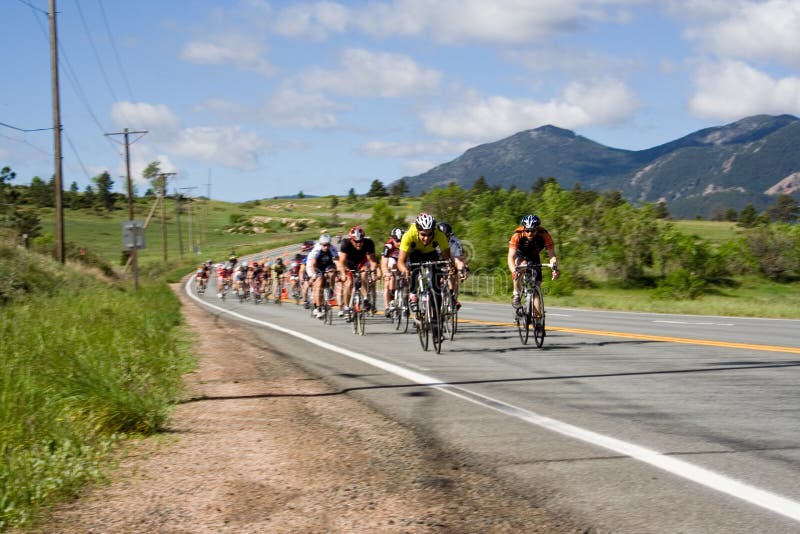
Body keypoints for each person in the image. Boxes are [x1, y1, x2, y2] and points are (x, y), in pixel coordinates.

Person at [397, 212, 451, 312]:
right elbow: (400, 261)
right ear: (417, 231)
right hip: (415, 253)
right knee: (414, 270)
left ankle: (436, 318)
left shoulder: (439, 234)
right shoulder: (409, 235)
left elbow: (447, 258)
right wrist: (405, 271)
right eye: (423, 234)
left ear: (433, 231)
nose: (426, 238)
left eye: (430, 234)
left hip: (431, 253)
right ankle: (413, 294)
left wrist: (449, 267)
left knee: (436, 285)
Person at [507, 214, 559, 312]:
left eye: (533, 230)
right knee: (520, 268)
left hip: (534, 257)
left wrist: (554, 268)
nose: (530, 233)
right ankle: (516, 295)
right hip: (520, 255)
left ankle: (538, 320)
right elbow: (510, 257)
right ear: (524, 228)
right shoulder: (517, 235)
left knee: (537, 286)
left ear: (537, 229)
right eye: (527, 230)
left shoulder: (544, 234)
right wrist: (514, 270)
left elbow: (552, 255)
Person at [338, 226, 379, 319]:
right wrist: (343, 274)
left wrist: (373, 272)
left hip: (362, 263)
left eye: (361, 241)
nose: (359, 244)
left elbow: (372, 261)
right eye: (356, 241)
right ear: (351, 240)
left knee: (364, 274)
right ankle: (347, 308)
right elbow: (341, 262)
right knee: (349, 283)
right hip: (348, 264)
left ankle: (365, 299)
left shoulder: (369, 243)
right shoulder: (345, 243)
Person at [306, 234, 340, 319]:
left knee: (332, 272)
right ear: (321, 244)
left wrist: (339, 271)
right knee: (319, 282)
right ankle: (318, 307)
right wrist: (314, 274)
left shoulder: (332, 248)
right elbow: (313, 264)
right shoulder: (316, 250)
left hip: (327, 265)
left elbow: (337, 261)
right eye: (324, 245)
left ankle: (331, 289)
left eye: (328, 244)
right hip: (315, 266)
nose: (326, 247)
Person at [437, 222, 468, 309]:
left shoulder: (455, 241)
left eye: (447, 236)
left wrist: (463, 269)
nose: (445, 238)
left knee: (455, 274)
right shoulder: (433, 241)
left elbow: (459, 258)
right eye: (442, 236)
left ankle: (453, 298)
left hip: (450, 259)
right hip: (436, 260)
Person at [381, 227, 404, 315]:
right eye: (397, 241)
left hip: (403, 260)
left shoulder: (407, 243)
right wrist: (386, 273)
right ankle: (387, 306)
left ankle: (405, 301)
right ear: (392, 239)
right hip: (392, 260)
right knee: (388, 281)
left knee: (407, 279)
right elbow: (384, 263)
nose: (399, 243)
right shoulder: (388, 246)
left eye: (401, 241)